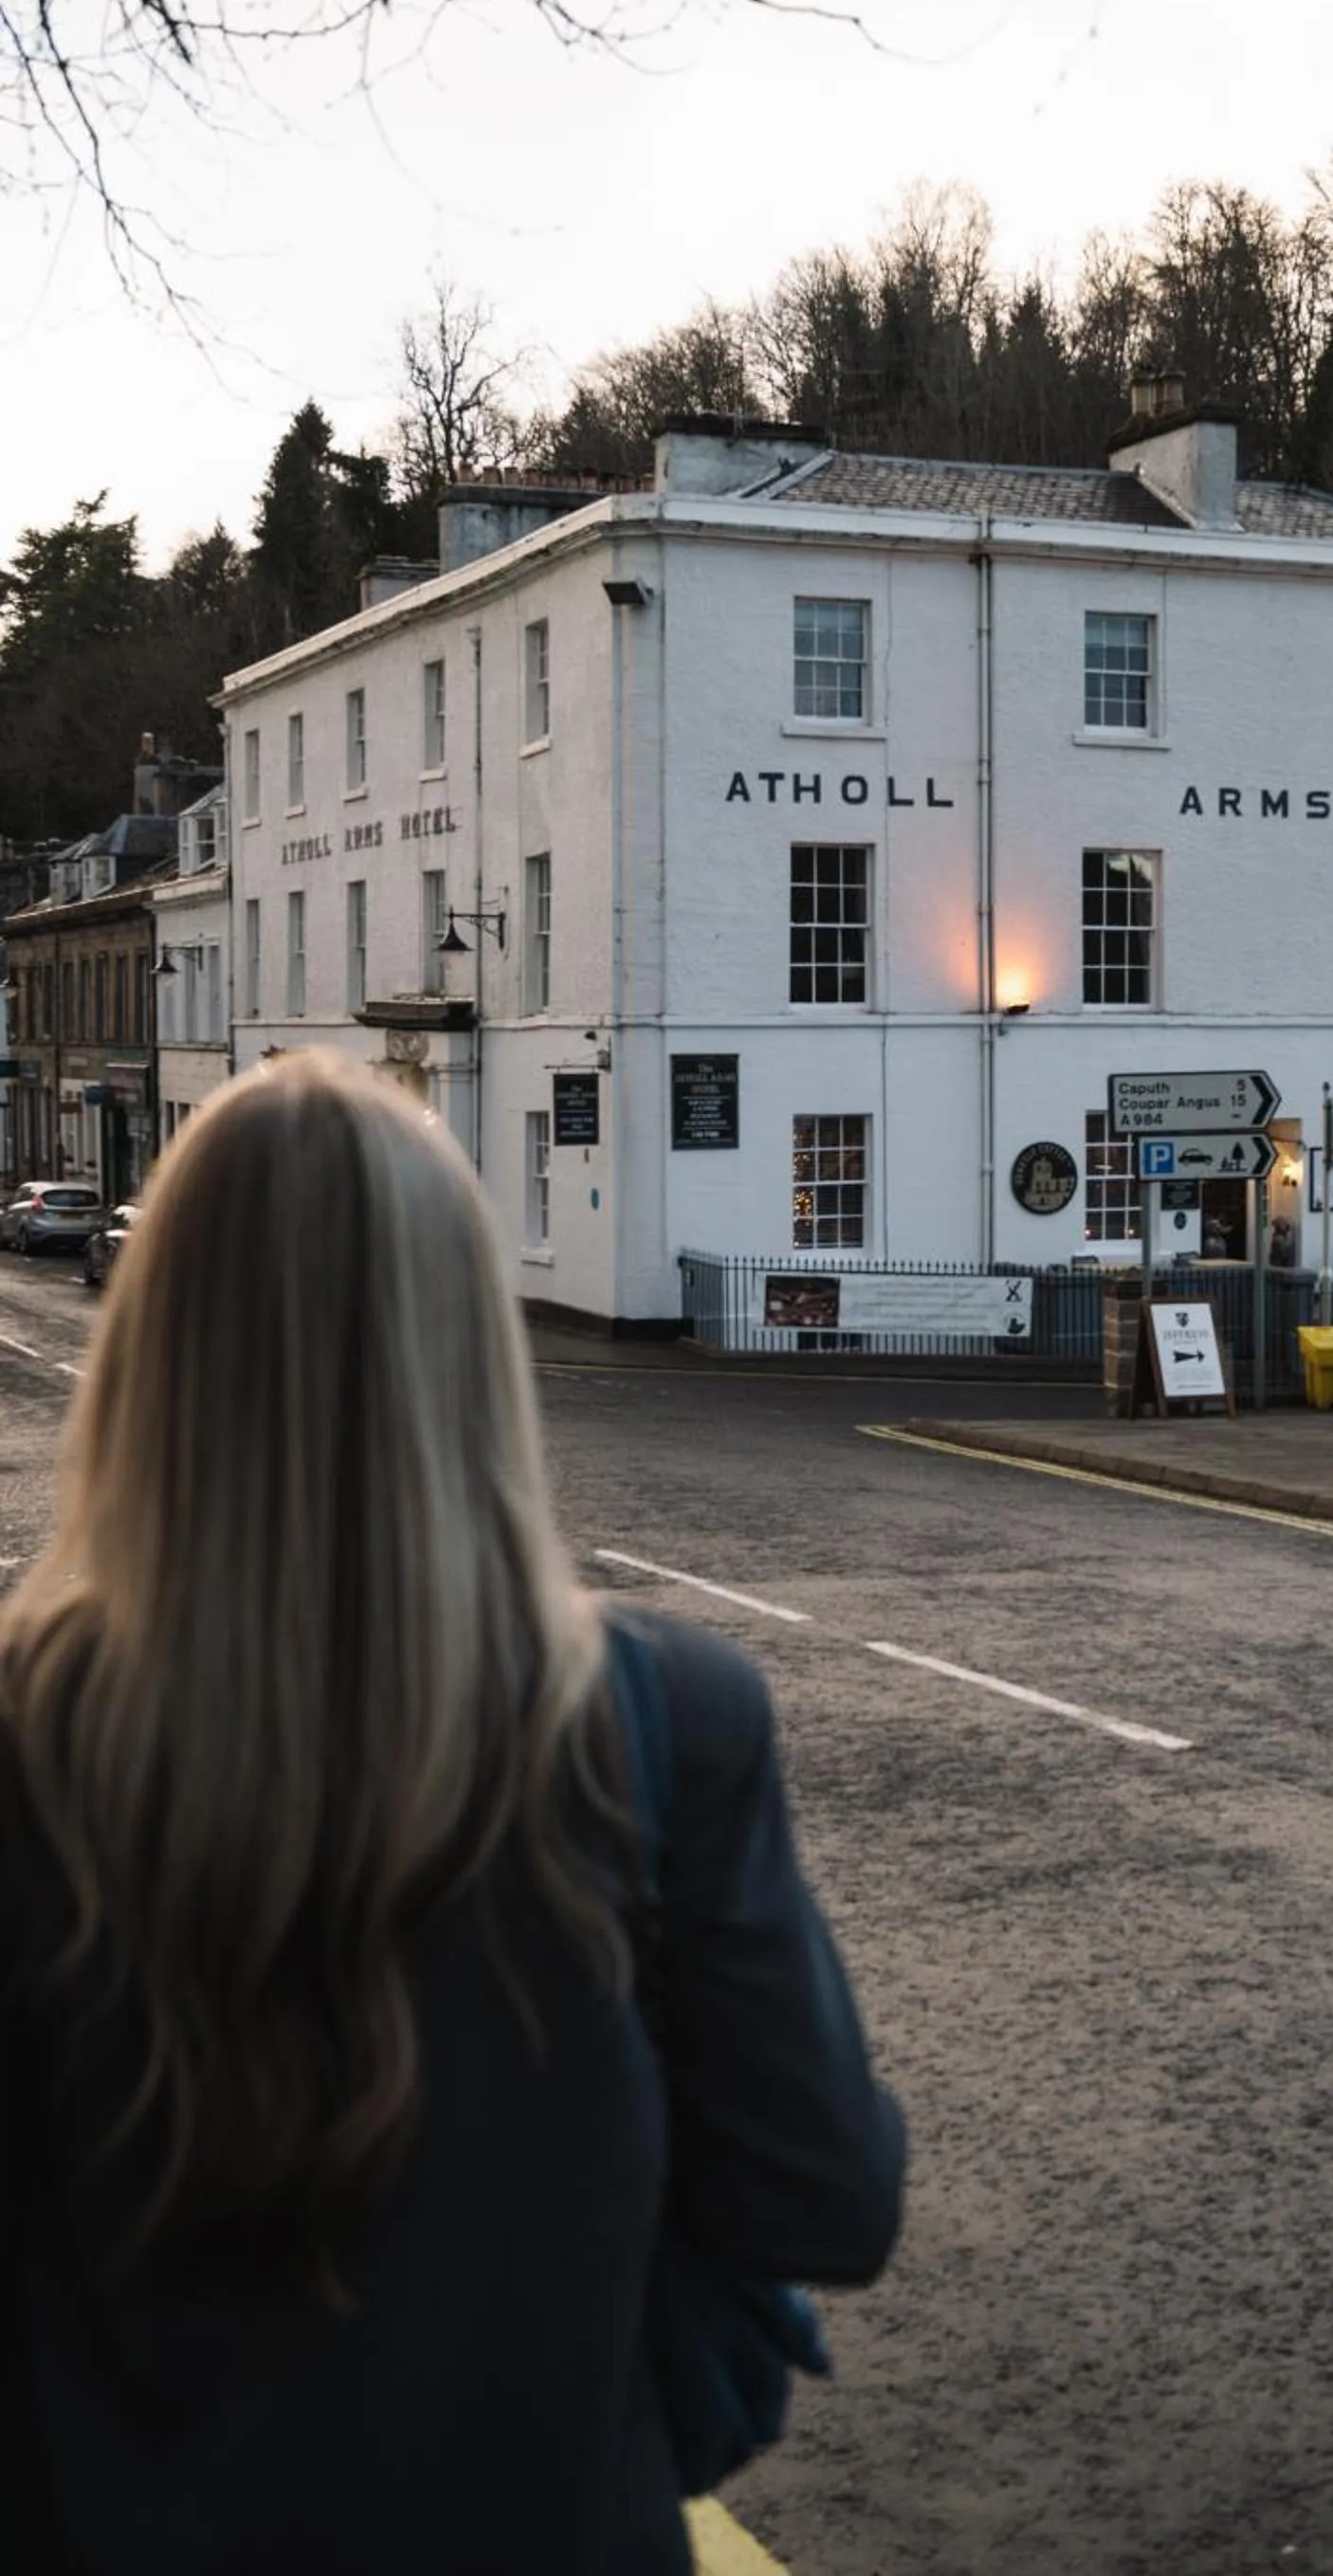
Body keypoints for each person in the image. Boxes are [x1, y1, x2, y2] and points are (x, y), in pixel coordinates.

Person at [0, 1050, 903, 2575]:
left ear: (148, 1353)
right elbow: (827, 2198)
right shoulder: (662, 1721)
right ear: (466, 1349)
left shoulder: (29, 1741)